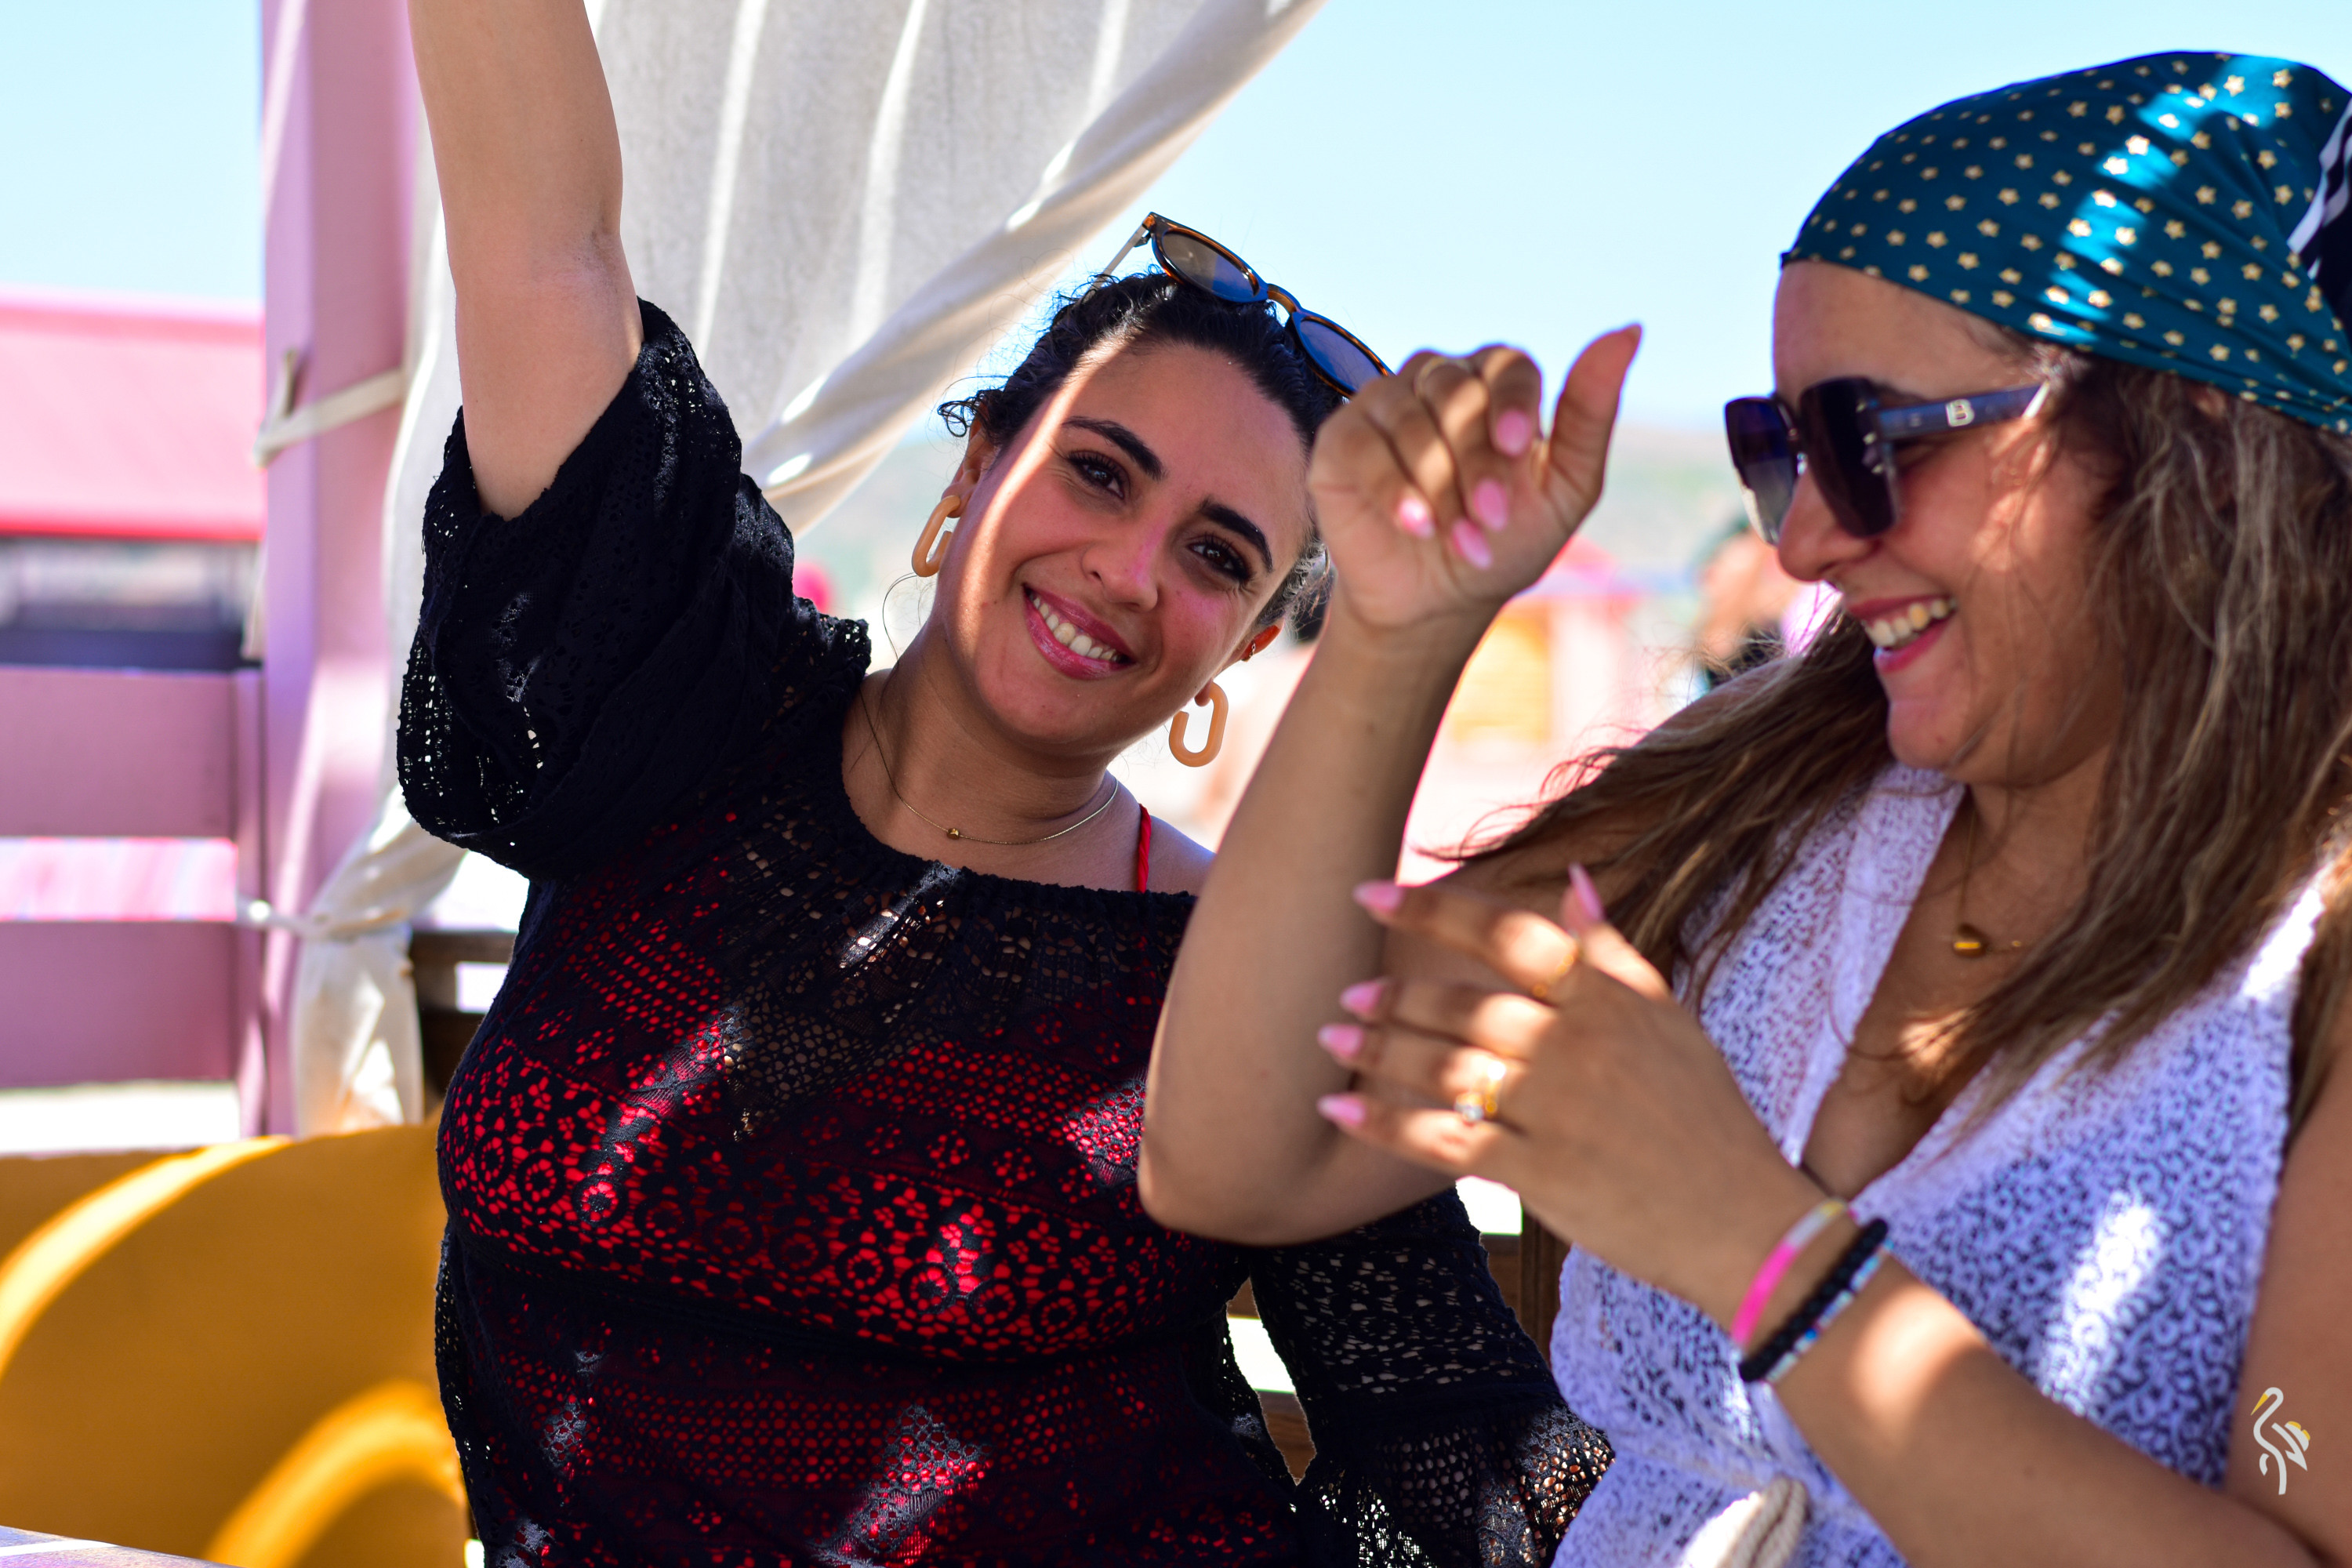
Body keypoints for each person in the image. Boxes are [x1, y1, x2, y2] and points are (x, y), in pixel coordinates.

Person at [397, 2, 1606, 1563]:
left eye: (1217, 555)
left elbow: (1468, 1468)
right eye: (1098, 471)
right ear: (974, 473)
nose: (1129, 568)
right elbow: (546, 252)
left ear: (1241, 647)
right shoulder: (675, 713)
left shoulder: (1240, 978)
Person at [1143, 50, 2352, 1566]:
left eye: (1869, 440)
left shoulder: (2314, 948)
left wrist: (1762, 1254)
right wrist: (1397, 632)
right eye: (1776, 449)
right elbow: (1236, 1155)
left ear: (2201, 452)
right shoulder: (1775, 789)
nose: (1804, 539)